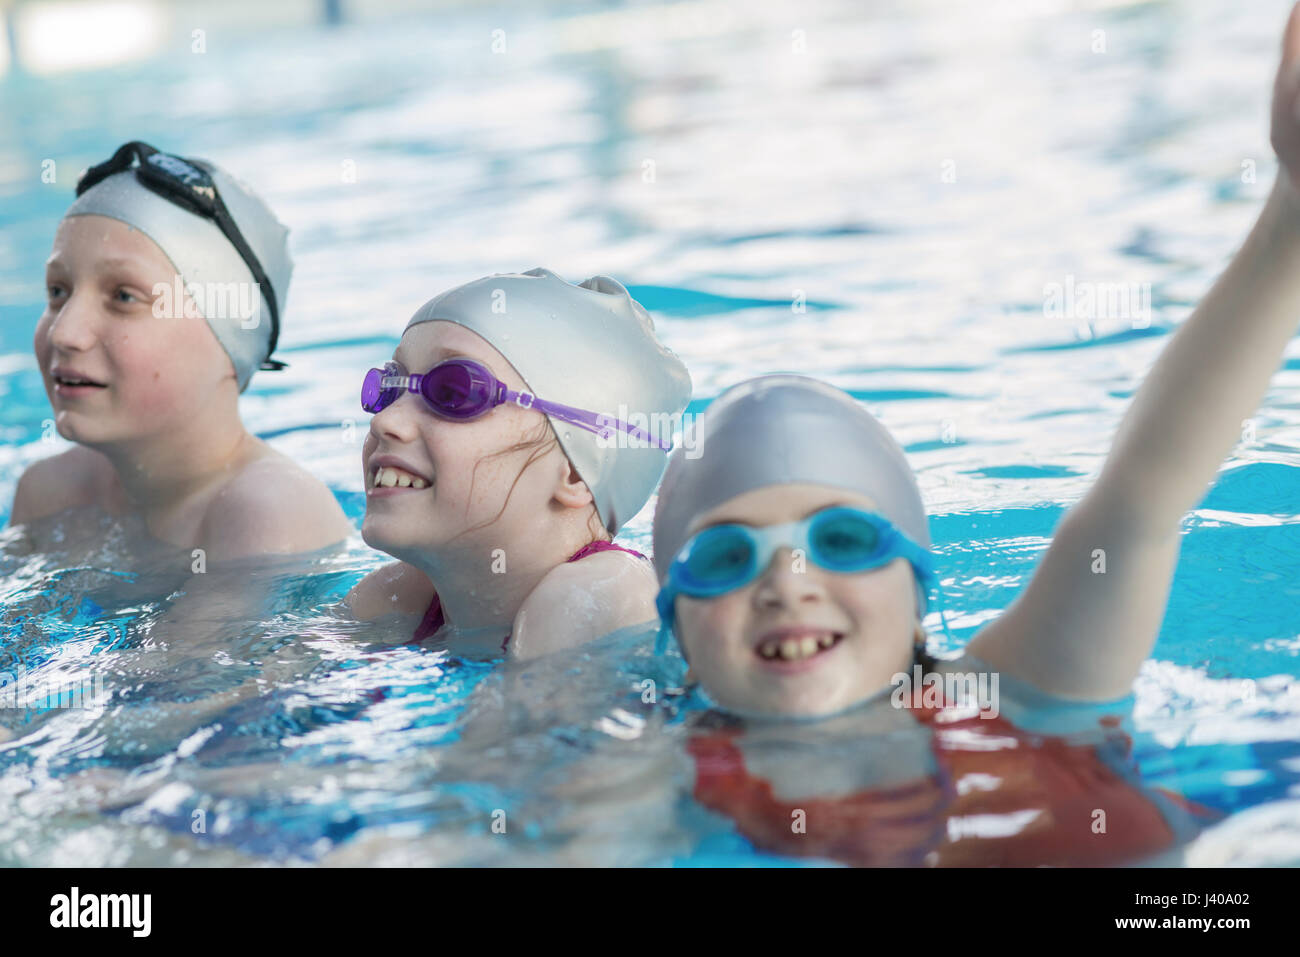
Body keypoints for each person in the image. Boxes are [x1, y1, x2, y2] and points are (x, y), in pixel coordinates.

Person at [648, 2, 1300, 864]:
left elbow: (1139, 498)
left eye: (843, 539)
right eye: (727, 556)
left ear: (920, 588)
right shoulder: (652, 781)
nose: (788, 583)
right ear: (674, 623)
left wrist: (1291, 211)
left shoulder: (1025, 686)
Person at [8, 141, 351, 563]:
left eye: (124, 297)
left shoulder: (269, 513)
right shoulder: (50, 491)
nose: (64, 333)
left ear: (229, 342)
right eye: (58, 291)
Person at [344, 267, 692, 660]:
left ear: (576, 471)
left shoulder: (598, 595)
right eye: (391, 387)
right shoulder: (400, 597)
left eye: (454, 392)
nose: (384, 421)